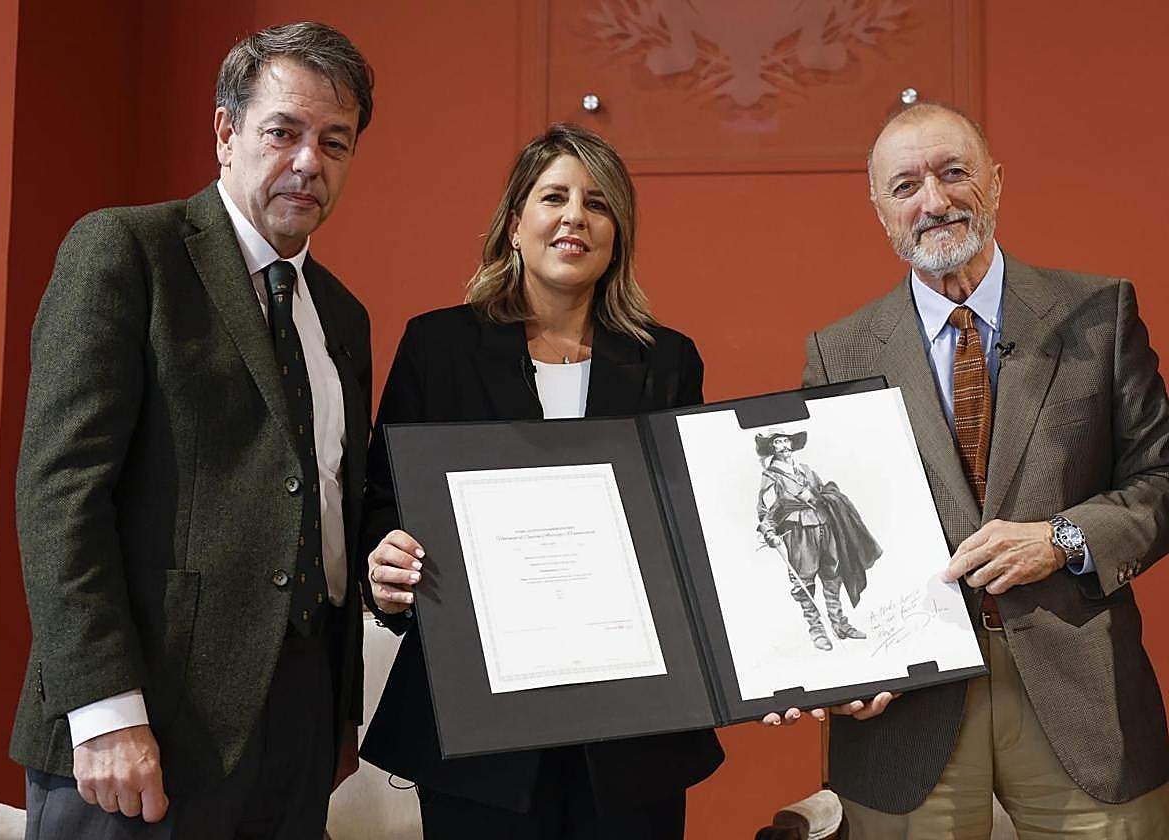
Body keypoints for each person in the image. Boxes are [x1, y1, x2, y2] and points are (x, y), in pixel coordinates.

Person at [10, 22, 375, 839]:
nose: (309, 162)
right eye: (283, 132)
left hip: (298, 739)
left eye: (335, 142)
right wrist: (103, 710)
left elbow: (328, 510)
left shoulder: (343, 316)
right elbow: (61, 493)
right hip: (140, 734)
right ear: (225, 131)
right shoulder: (126, 252)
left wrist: (336, 714)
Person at [801, 101, 1169, 836]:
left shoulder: (1101, 313)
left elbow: (1161, 478)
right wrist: (837, 665)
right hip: (905, 713)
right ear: (880, 211)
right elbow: (828, 534)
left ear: (995, 183)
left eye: (953, 173)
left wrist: (1062, 539)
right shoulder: (836, 354)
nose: (933, 201)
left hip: (1082, 701)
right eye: (905, 186)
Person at [360, 123, 724, 838]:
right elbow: (383, 505)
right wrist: (388, 569)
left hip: (631, 729)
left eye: (598, 203)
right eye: (553, 197)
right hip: (478, 725)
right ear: (514, 225)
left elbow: (690, 529)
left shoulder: (667, 361)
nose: (574, 217)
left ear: (616, 233)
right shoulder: (437, 347)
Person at [754, 430, 879, 650]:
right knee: (804, 582)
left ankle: (840, 624)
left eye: (786, 440)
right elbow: (766, 510)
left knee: (833, 575)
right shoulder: (771, 476)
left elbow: (822, 494)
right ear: (772, 448)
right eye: (778, 442)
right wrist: (770, 532)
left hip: (825, 527)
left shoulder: (806, 470)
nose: (784, 445)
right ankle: (817, 631)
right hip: (799, 533)